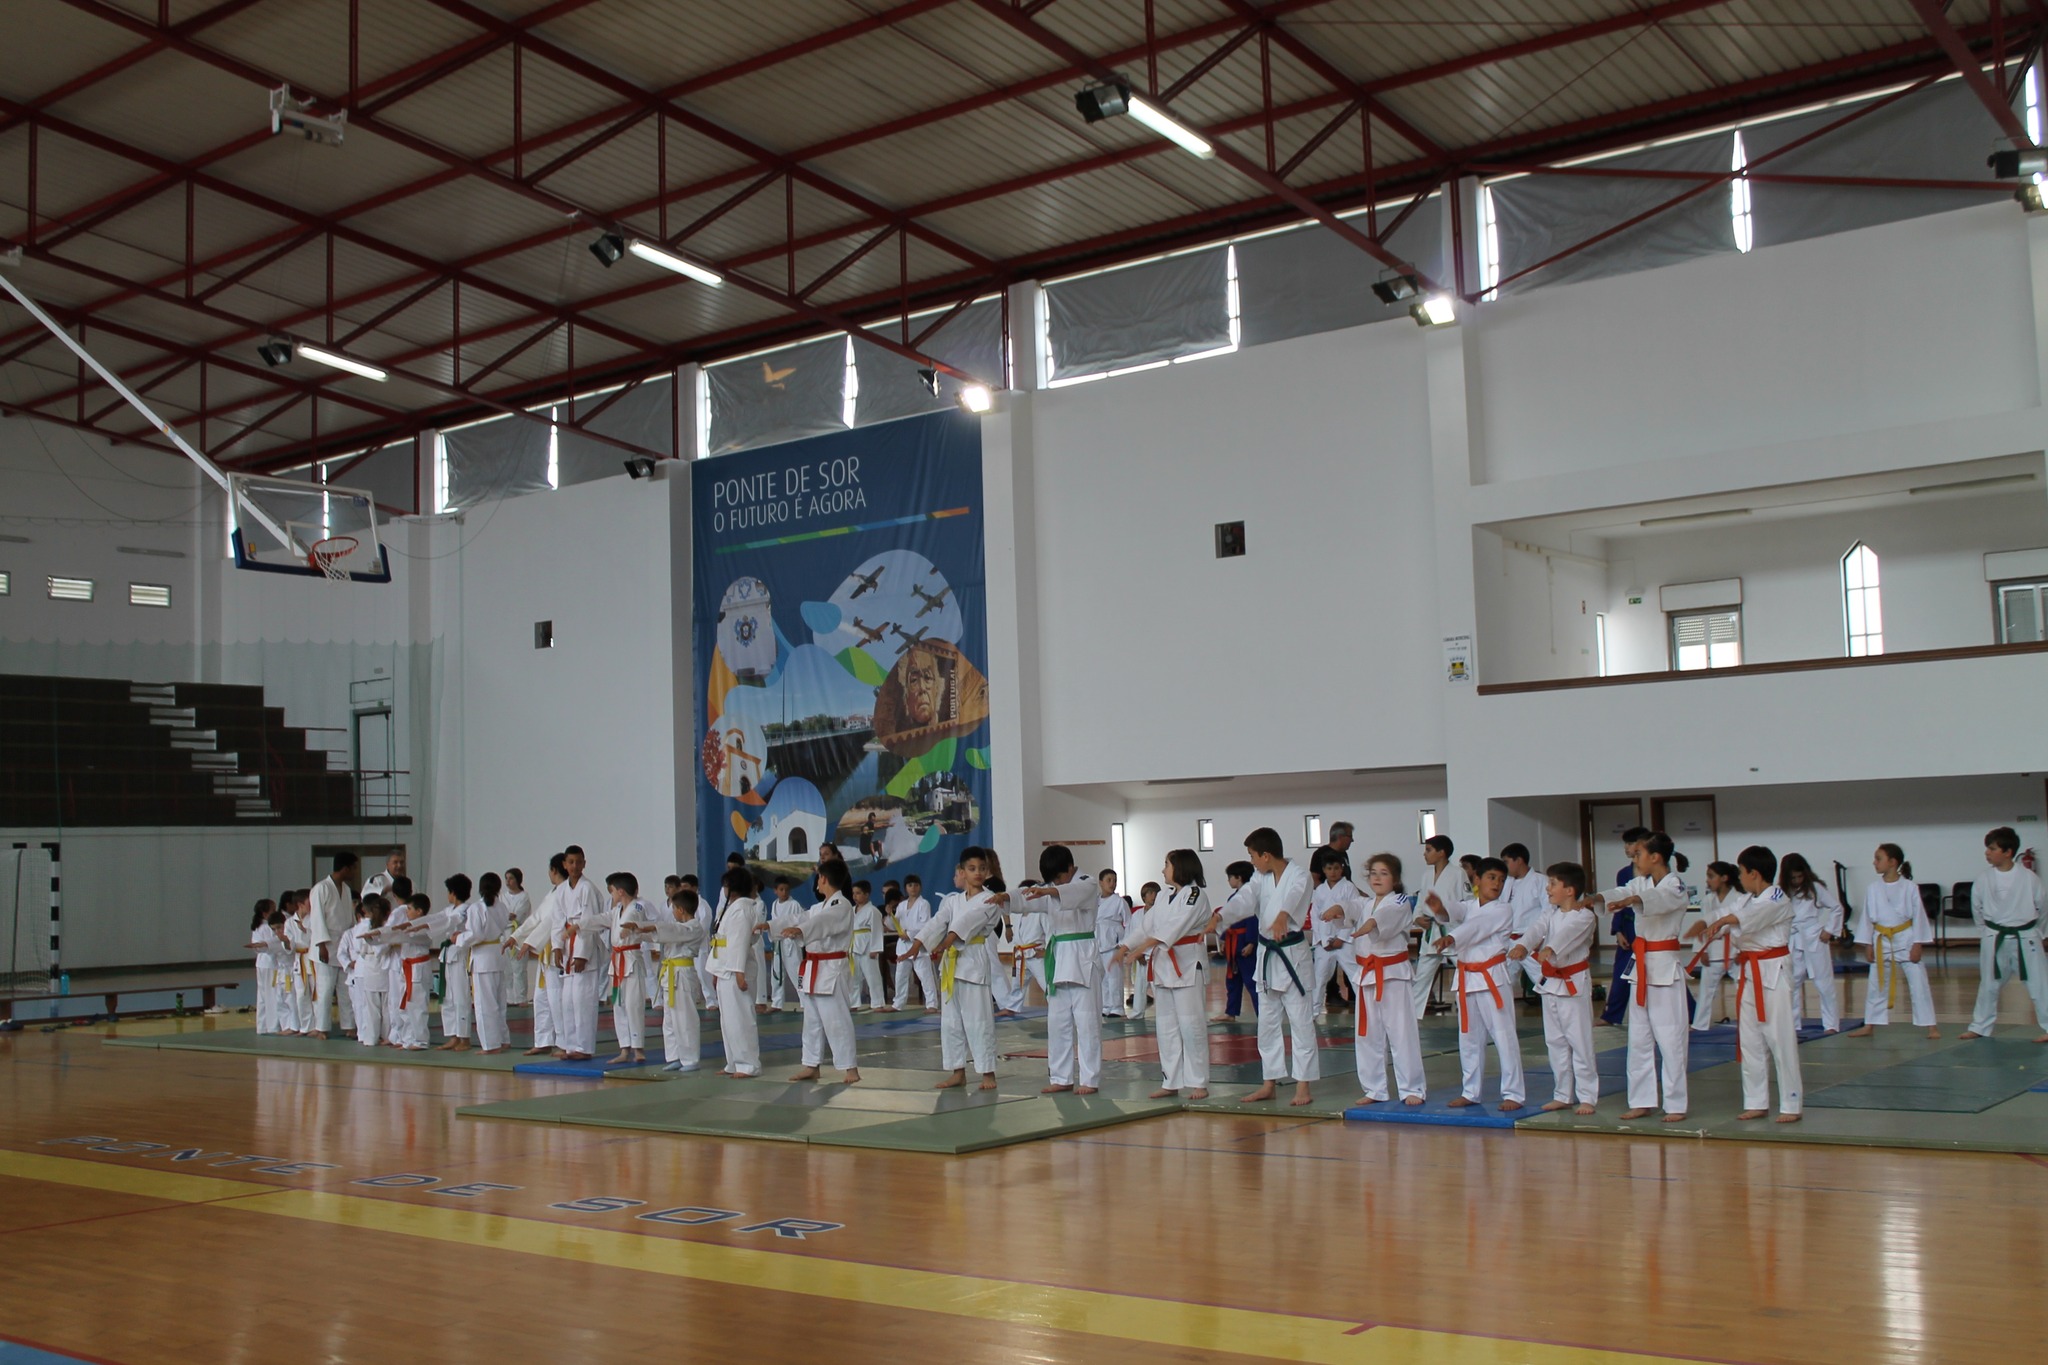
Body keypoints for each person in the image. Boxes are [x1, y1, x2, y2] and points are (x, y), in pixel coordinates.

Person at [1689, 845, 1802, 1122]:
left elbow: (1747, 919)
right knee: (1750, 1038)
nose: (1739, 877)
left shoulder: (1777, 897)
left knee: (1780, 1038)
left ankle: (1791, 1104)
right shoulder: (1747, 900)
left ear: (1754, 872)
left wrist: (1725, 921)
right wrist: (1704, 921)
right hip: (1750, 972)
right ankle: (1756, 1101)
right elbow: (1726, 911)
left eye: (1740, 872)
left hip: (1773, 971)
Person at [1600, 832, 1691, 1122]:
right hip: (1641, 967)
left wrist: (1634, 899)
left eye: (1638, 853)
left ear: (1656, 857)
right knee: (1638, 1039)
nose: (1633, 858)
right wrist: (1596, 898)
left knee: (1670, 1038)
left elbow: (1658, 900)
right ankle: (1642, 1100)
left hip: (1664, 967)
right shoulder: (1638, 882)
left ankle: (1675, 1104)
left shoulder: (1675, 886)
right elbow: (1619, 892)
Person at [1428, 857, 1524, 1111]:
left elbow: (1476, 927)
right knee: (1469, 1038)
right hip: (1467, 978)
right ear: (1477, 880)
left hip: (1492, 977)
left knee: (1503, 1036)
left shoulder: (1503, 910)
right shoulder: (1469, 906)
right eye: (1492, 877)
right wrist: (1440, 908)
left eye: (1502, 880)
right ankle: (1471, 1091)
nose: (1498, 884)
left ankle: (1513, 1093)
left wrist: (1450, 937)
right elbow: (1454, 911)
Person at [1117, 850, 1215, 1099]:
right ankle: (1171, 1081)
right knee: (1166, 1027)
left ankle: (1199, 1081)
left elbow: (1175, 927)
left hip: (1187, 964)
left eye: (1167, 865)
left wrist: (1142, 947)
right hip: (1163, 966)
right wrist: (1126, 946)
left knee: (1191, 1025)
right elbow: (1146, 925)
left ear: (1180, 867)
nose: (1163, 870)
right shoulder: (1164, 897)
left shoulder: (1195, 895)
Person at [1239, 827, 1317, 1108]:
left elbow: (1295, 896)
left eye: (1252, 856)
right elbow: (1245, 898)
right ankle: (1269, 1083)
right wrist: (1221, 917)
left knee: (1300, 1023)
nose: (1251, 861)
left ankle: (1303, 1085)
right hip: (1267, 956)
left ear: (1266, 855)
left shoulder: (1300, 874)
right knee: (1267, 1024)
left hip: (1292, 956)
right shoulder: (1260, 878)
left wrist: (1283, 915)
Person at [1513, 862, 1598, 1114]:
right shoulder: (1550, 913)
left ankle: (1587, 1097)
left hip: (1573, 984)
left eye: (1552, 884)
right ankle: (1562, 1094)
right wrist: (1524, 945)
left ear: (1570, 890)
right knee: (1556, 1042)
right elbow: (1535, 929)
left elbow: (1569, 935)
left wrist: (1551, 948)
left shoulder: (1585, 916)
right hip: (1550, 984)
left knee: (1580, 1041)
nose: (1548, 888)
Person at [1020, 844, 1104, 1094]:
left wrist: (1050, 889)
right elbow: (1027, 901)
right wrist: (1008, 899)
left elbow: (1072, 892)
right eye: (1052, 879)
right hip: (1058, 961)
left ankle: (1090, 1079)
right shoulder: (1050, 890)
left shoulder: (1087, 882)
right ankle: (1061, 1077)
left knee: (1087, 1023)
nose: (1055, 882)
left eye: (1059, 876)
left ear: (1070, 868)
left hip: (1082, 957)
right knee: (1057, 1024)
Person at [917, 849, 1003, 1090]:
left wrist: (945, 943)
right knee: (951, 1022)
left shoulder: (990, 899)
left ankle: (988, 1073)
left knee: (979, 1020)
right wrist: (919, 943)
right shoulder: (952, 900)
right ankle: (957, 1071)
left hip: (973, 961)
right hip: (950, 965)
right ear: (962, 872)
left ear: (988, 872)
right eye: (972, 869)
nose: (977, 873)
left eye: (982, 869)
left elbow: (967, 923)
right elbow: (937, 922)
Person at [1347, 853, 1423, 1107]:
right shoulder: (1366, 902)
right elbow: (1352, 906)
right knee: (1368, 1034)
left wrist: (1371, 923)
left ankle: (1412, 1088)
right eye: (1373, 873)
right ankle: (1374, 1088)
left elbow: (1387, 916)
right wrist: (1338, 909)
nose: (1377, 878)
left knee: (1401, 1033)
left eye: (1384, 873)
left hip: (1393, 975)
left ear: (1396, 879)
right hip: (1368, 975)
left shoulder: (1400, 901)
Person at [1960, 826, 2048, 1042]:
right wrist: (1987, 933)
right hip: (1995, 936)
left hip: (2026, 936)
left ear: (2008, 852)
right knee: (1989, 984)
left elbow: (2043, 908)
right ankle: (1980, 1026)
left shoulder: (2029, 878)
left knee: (2039, 984)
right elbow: (1976, 909)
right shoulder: (1983, 879)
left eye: (1992, 848)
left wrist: (2041, 933)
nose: (1987, 853)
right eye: (1988, 849)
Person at [1847, 844, 1937, 1040]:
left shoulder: (1910, 887)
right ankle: (1870, 1024)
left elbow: (1919, 917)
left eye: (1878, 858)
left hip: (1906, 938)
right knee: (1876, 983)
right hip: (1881, 940)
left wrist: (1918, 944)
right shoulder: (1873, 888)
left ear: (1892, 862)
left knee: (1919, 983)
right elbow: (1867, 918)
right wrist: (1868, 944)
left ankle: (1930, 1025)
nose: (1874, 862)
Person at [786, 858, 861, 1085]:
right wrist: (770, 926)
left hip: (831, 969)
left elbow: (821, 922)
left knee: (836, 1019)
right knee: (812, 1020)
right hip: (813, 969)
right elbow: (799, 918)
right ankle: (811, 1065)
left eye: (819, 877)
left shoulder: (842, 906)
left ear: (824, 879)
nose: (817, 881)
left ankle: (850, 1068)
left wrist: (800, 929)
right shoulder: (820, 907)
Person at [553, 846, 609, 1062]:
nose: (574, 866)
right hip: (568, 947)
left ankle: (584, 1047)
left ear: (584, 863)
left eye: (578, 862)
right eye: (570, 862)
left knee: (582, 1000)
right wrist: (557, 946)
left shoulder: (588, 889)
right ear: (565, 865)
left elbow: (590, 923)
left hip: (584, 949)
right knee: (567, 1000)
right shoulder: (561, 891)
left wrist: (582, 955)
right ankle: (570, 1045)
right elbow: (558, 921)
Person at [710, 866, 765, 1077]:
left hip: (736, 969)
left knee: (741, 1018)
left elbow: (740, 942)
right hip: (725, 967)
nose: (723, 889)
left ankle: (749, 1064)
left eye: (725, 885)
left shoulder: (742, 908)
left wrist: (739, 972)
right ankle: (732, 1062)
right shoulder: (733, 907)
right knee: (728, 1020)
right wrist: (716, 971)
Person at [1780, 853, 1843, 1034]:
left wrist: (1829, 930)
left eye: (1800, 876)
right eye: (1793, 878)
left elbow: (1837, 908)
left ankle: (1831, 1024)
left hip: (1814, 936)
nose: (1797, 880)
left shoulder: (1815, 888)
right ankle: (1793, 1024)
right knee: (1792, 982)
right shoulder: (1782, 892)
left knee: (1823, 982)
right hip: (1792, 938)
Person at [514, 855, 567, 1055]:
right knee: (541, 998)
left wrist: (528, 942)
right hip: (545, 953)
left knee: (556, 998)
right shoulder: (553, 892)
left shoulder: (564, 892)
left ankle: (562, 1043)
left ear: (554, 870)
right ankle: (543, 1040)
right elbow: (536, 918)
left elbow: (550, 922)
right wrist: (516, 936)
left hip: (556, 950)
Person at [653, 887, 707, 1071]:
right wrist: (640, 930)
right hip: (670, 974)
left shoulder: (694, 927)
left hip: (683, 974)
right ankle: (674, 1056)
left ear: (681, 909)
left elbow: (673, 931)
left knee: (685, 1019)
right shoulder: (677, 928)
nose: (673, 912)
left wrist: (651, 927)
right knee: (669, 1019)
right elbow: (668, 932)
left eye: (674, 908)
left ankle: (690, 1059)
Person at [605, 872, 656, 1066]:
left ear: (620, 891)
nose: (612, 896)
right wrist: (579, 925)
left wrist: (630, 927)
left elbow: (636, 916)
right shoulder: (617, 909)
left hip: (631, 962)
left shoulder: (636, 906)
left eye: (612, 892)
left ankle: (638, 1048)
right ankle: (624, 1048)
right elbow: (602, 918)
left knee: (633, 1005)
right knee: (618, 1005)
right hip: (617, 964)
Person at [1600, 828, 1649, 1027]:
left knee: (1658, 973)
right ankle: (1611, 1015)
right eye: (1626, 845)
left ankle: (1690, 1012)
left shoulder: (1657, 873)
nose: (1626, 848)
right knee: (1621, 970)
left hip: (1648, 928)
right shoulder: (1624, 873)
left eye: (1630, 844)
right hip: (1628, 926)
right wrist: (1618, 930)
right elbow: (1619, 903)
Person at [307, 853, 355, 1039]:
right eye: (353, 868)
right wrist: (321, 945)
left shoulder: (346, 889)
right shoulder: (321, 888)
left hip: (342, 945)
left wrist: (351, 944)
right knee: (325, 989)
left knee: (345, 990)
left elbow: (349, 920)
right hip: (325, 945)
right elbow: (317, 918)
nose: (354, 872)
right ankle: (321, 1028)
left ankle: (349, 1026)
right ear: (345, 868)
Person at [1412, 835, 1461, 1018]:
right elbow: (1420, 903)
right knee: (1422, 977)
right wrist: (1417, 918)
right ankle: (1413, 1016)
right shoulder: (1426, 876)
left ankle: (1469, 1011)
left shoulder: (1458, 873)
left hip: (1452, 931)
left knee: (1465, 971)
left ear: (1442, 853)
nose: (1425, 854)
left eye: (1428, 850)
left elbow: (1466, 903)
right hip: (1431, 932)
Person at [463, 871, 512, 1054]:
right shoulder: (501, 907)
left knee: (485, 1004)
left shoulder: (477, 908)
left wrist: (458, 939)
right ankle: (503, 1039)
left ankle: (491, 1045)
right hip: (497, 955)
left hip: (483, 957)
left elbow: (475, 935)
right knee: (500, 1002)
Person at [1689, 861, 1740, 1032]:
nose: (1707, 881)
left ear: (1724, 878)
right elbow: (1702, 926)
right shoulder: (1707, 900)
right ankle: (1699, 1025)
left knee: (1745, 990)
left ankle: (1750, 1022)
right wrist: (1700, 950)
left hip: (1735, 948)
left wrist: (1743, 950)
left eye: (1711, 876)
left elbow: (1745, 926)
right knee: (1705, 990)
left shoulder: (1739, 898)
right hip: (1713, 950)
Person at [1309, 855, 1360, 1018]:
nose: (1333, 872)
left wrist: (1341, 938)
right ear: (1324, 870)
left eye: (1336, 868)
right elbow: (1315, 916)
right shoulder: (1319, 890)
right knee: (1319, 978)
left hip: (1345, 941)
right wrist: (1324, 940)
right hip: (1324, 942)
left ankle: (1368, 1011)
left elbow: (1354, 912)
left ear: (1342, 869)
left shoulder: (1349, 887)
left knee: (1355, 976)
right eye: (1329, 868)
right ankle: (1313, 1012)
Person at [1213, 861, 1259, 1023]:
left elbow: (1253, 921)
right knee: (1232, 980)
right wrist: (1224, 938)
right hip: (1234, 942)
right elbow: (1228, 919)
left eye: (1230, 877)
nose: (1228, 881)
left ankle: (1263, 1015)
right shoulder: (1233, 897)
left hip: (1245, 943)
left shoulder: (1250, 897)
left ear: (1238, 878)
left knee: (1252, 982)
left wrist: (1251, 942)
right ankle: (1230, 1012)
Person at [1501, 844, 1548, 998]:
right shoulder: (1506, 882)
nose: (1505, 866)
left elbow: (1548, 912)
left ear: (1519, 860)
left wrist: (1540, 939)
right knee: (1502, 981)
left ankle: (1558, 1013)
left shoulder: (1540, 881)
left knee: (1545, 981)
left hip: (1531, 941)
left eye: (1507, 861)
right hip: (1509, 940)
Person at [891, 874, 938, 1013]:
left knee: (925, 976)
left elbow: (925, 924)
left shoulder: (924, 904)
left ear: (920, 887)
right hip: (903, 945)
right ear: (905, 888)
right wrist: (890, 915)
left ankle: (932, 1004)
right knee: (900, 976)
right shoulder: (901, 905)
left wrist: (909, 934)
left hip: (918, 945)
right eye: (910, 885)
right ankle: (897, 1003)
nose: (913, 888)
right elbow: (895, 924)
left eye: (916, 885)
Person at [351, 895, 393, 1047]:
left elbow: (358, 949)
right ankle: (388, 1036)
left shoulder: (362, 926)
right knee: (387, 1006)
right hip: (385, 966)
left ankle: (371, 1038)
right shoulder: (388, 925)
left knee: (371, 1007)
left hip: (369, 965)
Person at [766, 877, 807, 1013]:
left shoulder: (794, 904)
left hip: (791, 942)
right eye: (781, 890)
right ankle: (777, 1003)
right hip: (778, 942)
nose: (784, 892)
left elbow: (800, 921)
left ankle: (805, 1001)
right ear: (775, 891)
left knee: (796, 972)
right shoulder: (774, 905)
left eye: (786, 890)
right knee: (776, 973)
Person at [1095, 870, 1131, 1019]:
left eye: (1114, 881)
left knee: (1114, 976)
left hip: (1114, 942)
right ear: (1101, 882)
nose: (1112, 884)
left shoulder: (1119, 902)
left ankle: (1117, 1007)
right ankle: (1106, 1005)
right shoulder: (1095, 901)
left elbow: (1129, 923)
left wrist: (1123, 943)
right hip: (1098, 941)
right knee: (1102, 977)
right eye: (1109, 880)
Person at [247, 899, 281, 1035]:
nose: (275, 912)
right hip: (270, 964)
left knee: (262, 996)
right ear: (265, 913)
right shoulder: (266, 927)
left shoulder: (258, 926)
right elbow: (271, 944)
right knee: (272, 995)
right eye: (273, 910)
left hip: (262, 964)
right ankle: (273, 1027)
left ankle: (262, 1027)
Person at [849, 881, 885, 1011]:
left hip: (868, 946)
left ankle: (877, 1003)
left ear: (867, 894)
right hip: (853, 946)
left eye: (858, 893)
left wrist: (875, 948)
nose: (855, 896)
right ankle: (853, 1003)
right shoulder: (852, 910)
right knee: (853, 977)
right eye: (853, 893)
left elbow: (877, 930)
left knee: (872, 976)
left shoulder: (873, 911)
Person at [502, 868, 533, 1006]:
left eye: (511, 878)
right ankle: (509, 998)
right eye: (506, 878)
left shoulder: (524, 897)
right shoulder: (502, 897)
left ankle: (521, 998)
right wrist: (507, 916)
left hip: (519, 935)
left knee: (519, 969)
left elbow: (518, 916)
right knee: (506, 969)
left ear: (518, 880)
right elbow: (502, 916)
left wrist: (509, 916)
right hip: (504, 936)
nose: (508, 882)